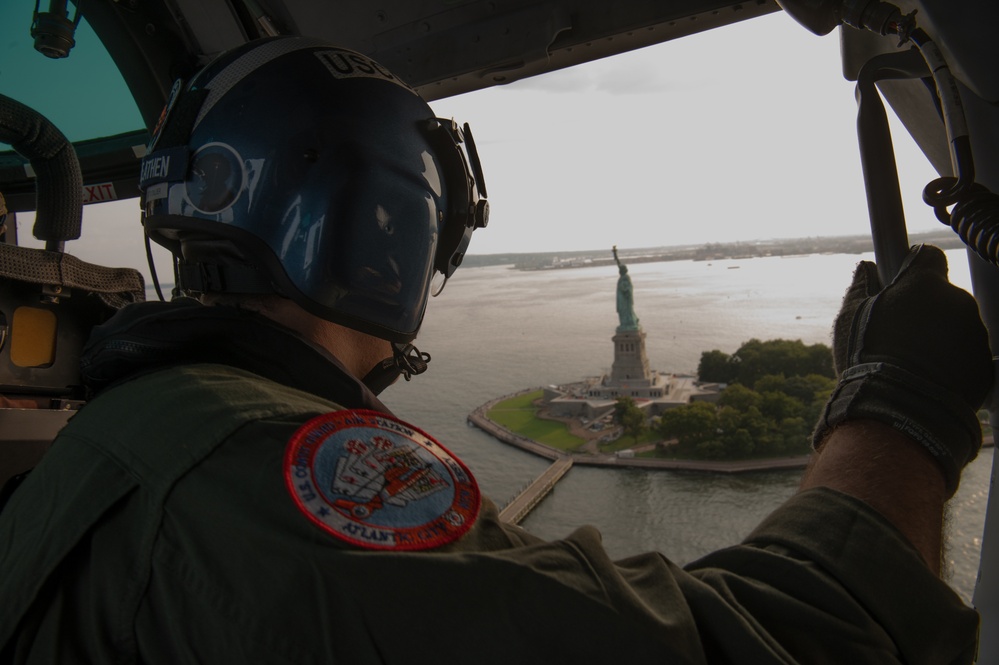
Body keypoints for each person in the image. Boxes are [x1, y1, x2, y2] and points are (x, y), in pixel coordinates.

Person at [0, 36, 991, 664]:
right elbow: (778, 646)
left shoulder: (123, 430)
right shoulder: (270, 471)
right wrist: (898, 404)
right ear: (391, 225)